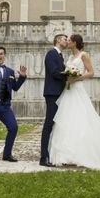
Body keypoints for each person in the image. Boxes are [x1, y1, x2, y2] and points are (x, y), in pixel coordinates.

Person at [49, 34, 100, 169]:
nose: (67, 42)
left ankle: (84, 153)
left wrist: (77, 78)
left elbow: (91, 72)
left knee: (81, 119)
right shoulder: (69, 58)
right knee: (67, 120)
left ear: (74, 43)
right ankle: (67, 155)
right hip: (68, 91)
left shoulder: (83, 55)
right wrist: (68, 77)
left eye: (69, 40)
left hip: (77, 89)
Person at [40, 33, 68, 167]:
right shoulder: (51, 54)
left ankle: (54, 153)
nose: (67, 41)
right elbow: (54, 72)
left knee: (58, 125)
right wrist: (68, 75)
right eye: (65, 39)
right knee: (49, 124)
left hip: (59, 92)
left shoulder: (60, 56)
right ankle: (43, 157)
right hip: (52, 93)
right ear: (58, 40)